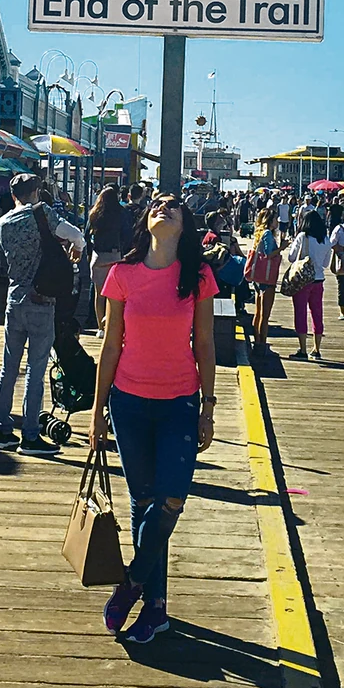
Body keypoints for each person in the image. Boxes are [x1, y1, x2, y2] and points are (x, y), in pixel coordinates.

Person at [90, 194, 218, 645]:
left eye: (174, 206)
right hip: (128, 402)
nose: (163, 208)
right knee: (143, 501)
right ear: (145, 220)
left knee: (170, 502)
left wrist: (208, 406)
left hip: (179, 403)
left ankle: (131, 583)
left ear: (185, 225)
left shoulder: (197, 276)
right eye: (157, 205)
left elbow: (205, 343)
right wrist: (97, 411)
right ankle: (156, 607)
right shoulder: (122, 274)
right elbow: (110, 345)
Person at [0, 173, 85, 455]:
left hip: (14, 298)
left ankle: (3, 430)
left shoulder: (2, 223)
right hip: (41, 301)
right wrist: (77, 249)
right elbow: (76, 235)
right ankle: (30, 435)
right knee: (36, 368)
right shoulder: (41, 212)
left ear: (13, 195)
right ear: (36, 192)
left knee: (9, 367)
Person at [86, 185, 134, 333]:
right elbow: (127, 235)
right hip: (115, 255)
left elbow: (87, 235)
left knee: (98, 294)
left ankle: (100, 328)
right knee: (113, 295)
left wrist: (89, 254)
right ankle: (110, 326)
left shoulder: (94, 213)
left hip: (98, 256)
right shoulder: (121, 213)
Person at [287, 210, 331, 361]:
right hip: (318, 280)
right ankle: (316, 349)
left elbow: (291, 257)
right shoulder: (326, 239)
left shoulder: (303, 237)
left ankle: (303, 349)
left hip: (302, 281)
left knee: (300, 313)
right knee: (317, 313)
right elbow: (325, 263)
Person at [248, 208, 282, 356]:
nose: (277, 221)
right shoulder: (268, 234)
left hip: (258, 276)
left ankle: (257, 341)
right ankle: (262, 344)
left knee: (258, 312)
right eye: (275, 219)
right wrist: (282, 247)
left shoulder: (259, 233)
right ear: (270, 220)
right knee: (265, 314)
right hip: (267, 278)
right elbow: (269, 254)